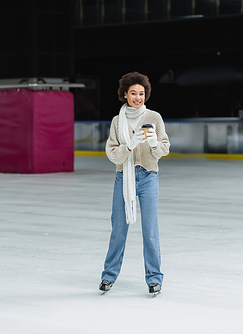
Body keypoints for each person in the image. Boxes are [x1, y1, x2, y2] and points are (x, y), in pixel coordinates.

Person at [99, 72, 170, 295]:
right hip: (124, 178)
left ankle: (154, 279)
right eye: (133, 93)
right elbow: (112, 153)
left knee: (150, 231)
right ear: (125, 95)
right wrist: (129, 145)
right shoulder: (117, 121)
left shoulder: (154, 118)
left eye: (141, 93)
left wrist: (154, 143)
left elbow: (165, 149)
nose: (138, 97)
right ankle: (108, 276)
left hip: (148, 177)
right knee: (118, 230)